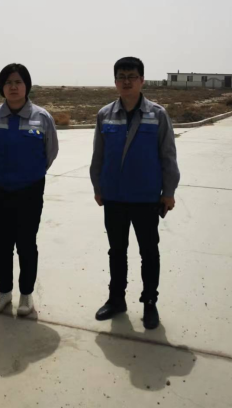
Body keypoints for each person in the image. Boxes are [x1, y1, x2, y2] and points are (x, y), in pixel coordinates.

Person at [90, 56, 180, 329]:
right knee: (116, 251)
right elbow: (98, 155)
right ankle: (116, 299)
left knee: (149, 252)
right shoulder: (105, 114)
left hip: (146, 197)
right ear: (115, 81)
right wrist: (98, 187)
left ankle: (150, 302)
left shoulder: (158, 114)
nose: (126, 82)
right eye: (121, 77)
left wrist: (168, 192)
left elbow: (168, 155)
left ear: (142, 80)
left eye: (132, 76)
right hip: (114, 197)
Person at [0, 63, 58, 316]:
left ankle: (26, 294)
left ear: (27, 86)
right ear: (1, 87)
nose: (13, 87)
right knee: (1, 245)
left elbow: (50, 152)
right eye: (8, 82)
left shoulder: (42, 117)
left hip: (30, 191)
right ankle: (4, 293)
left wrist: (30, 174)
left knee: (26, 244)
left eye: (18, 82)